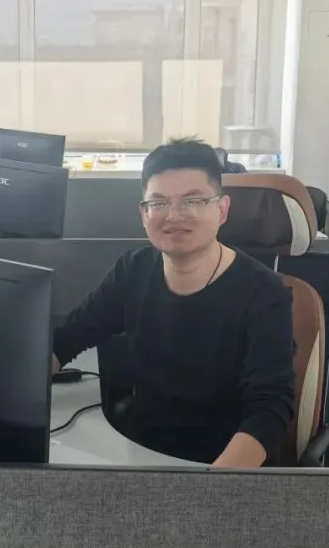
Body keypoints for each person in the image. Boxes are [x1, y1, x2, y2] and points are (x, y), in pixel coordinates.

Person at [52, 138, 296, 467]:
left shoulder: (264, 293)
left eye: (193, 201)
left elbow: (268, 410)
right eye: (159, 203)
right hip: (141, 455)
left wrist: (209, 488)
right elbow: (68, 338)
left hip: (228, 469)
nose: (174, 215)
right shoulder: (133, 270)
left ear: (222, 209)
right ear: (144, 213)